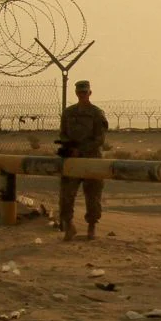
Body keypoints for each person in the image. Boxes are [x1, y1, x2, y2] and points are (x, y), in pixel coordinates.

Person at [57, 80, 109, 241]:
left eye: (85, 92)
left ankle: (91, 226)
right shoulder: (68, 113)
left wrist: (82, 149)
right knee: (66, 194)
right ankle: (69, 225)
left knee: (93, 195)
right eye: (80, 92)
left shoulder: (96, 113)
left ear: (89, 93)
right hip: (73, 158)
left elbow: (99, 139)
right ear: (76, 93)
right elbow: (63, 133)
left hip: (91, 158)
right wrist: (69, 147)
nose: (82, 95)